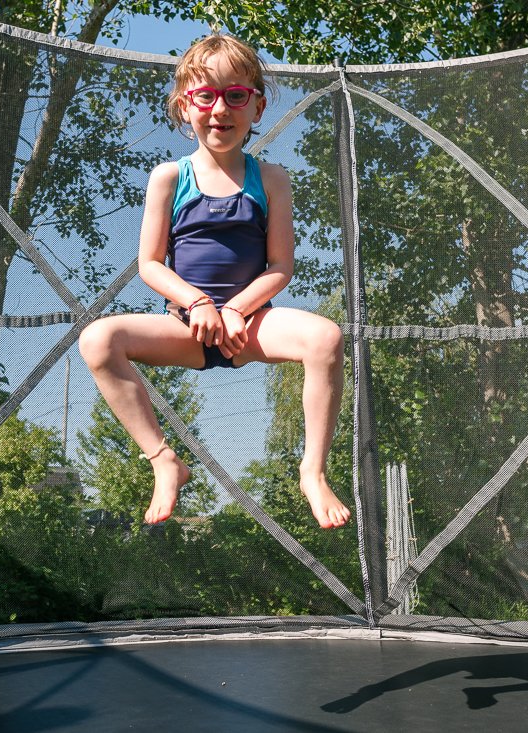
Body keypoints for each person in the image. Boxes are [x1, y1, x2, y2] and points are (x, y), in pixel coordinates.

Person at [78, 34, 350, 529]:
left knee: (325, 337)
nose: (219, 108)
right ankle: (164, 460)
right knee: (98, 339)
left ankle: (312, 470)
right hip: (188, 327)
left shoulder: (270, 179)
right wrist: (198, 303)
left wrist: (236, 309)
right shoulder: (168, 177)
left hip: (251, 324)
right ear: (185, 106)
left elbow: (280, 267)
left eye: (235, 95)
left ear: (257, 107)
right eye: (206, 96)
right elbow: (150, 264)